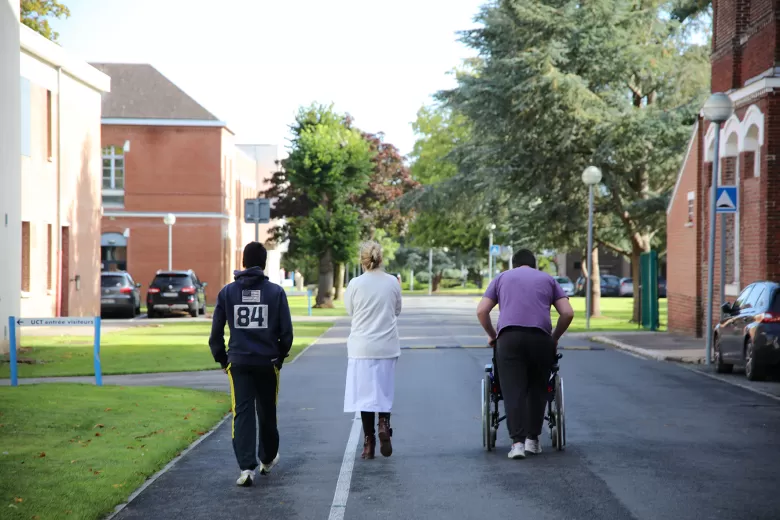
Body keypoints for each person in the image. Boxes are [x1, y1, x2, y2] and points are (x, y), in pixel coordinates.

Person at [476, 249, 574, 460]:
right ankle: (533, 440)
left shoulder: (502, 278)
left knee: (513, 389)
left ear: (514, 264)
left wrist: (493, 335)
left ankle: (517, 444)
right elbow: (567, 312)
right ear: (534, 264)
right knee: (538, 387)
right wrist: (554, 337)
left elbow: (482, 311)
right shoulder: (548, 279)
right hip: (540, 339)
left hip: (509, 338)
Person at [209, 242, 293, 486]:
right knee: (267, 411)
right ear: (264, 263)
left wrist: (222, 359)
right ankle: (267, 459)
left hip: (239, 362)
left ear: (243, 262)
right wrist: (280, 355)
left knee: (242, 413)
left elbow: (216, 334)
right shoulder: (276, 293)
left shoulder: (227, 293)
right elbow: (286, 333)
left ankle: (246, 468)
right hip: (267, 362)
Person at [343, 241, 402, 459]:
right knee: (384, 391)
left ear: (363, 260)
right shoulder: (392, 282)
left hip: (361, 347)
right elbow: (397, 310)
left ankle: (368, 442)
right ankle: (384, 423)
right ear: (381, 258)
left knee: (364, 396)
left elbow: (351, 310)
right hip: (386, 344)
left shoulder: (355, 283)